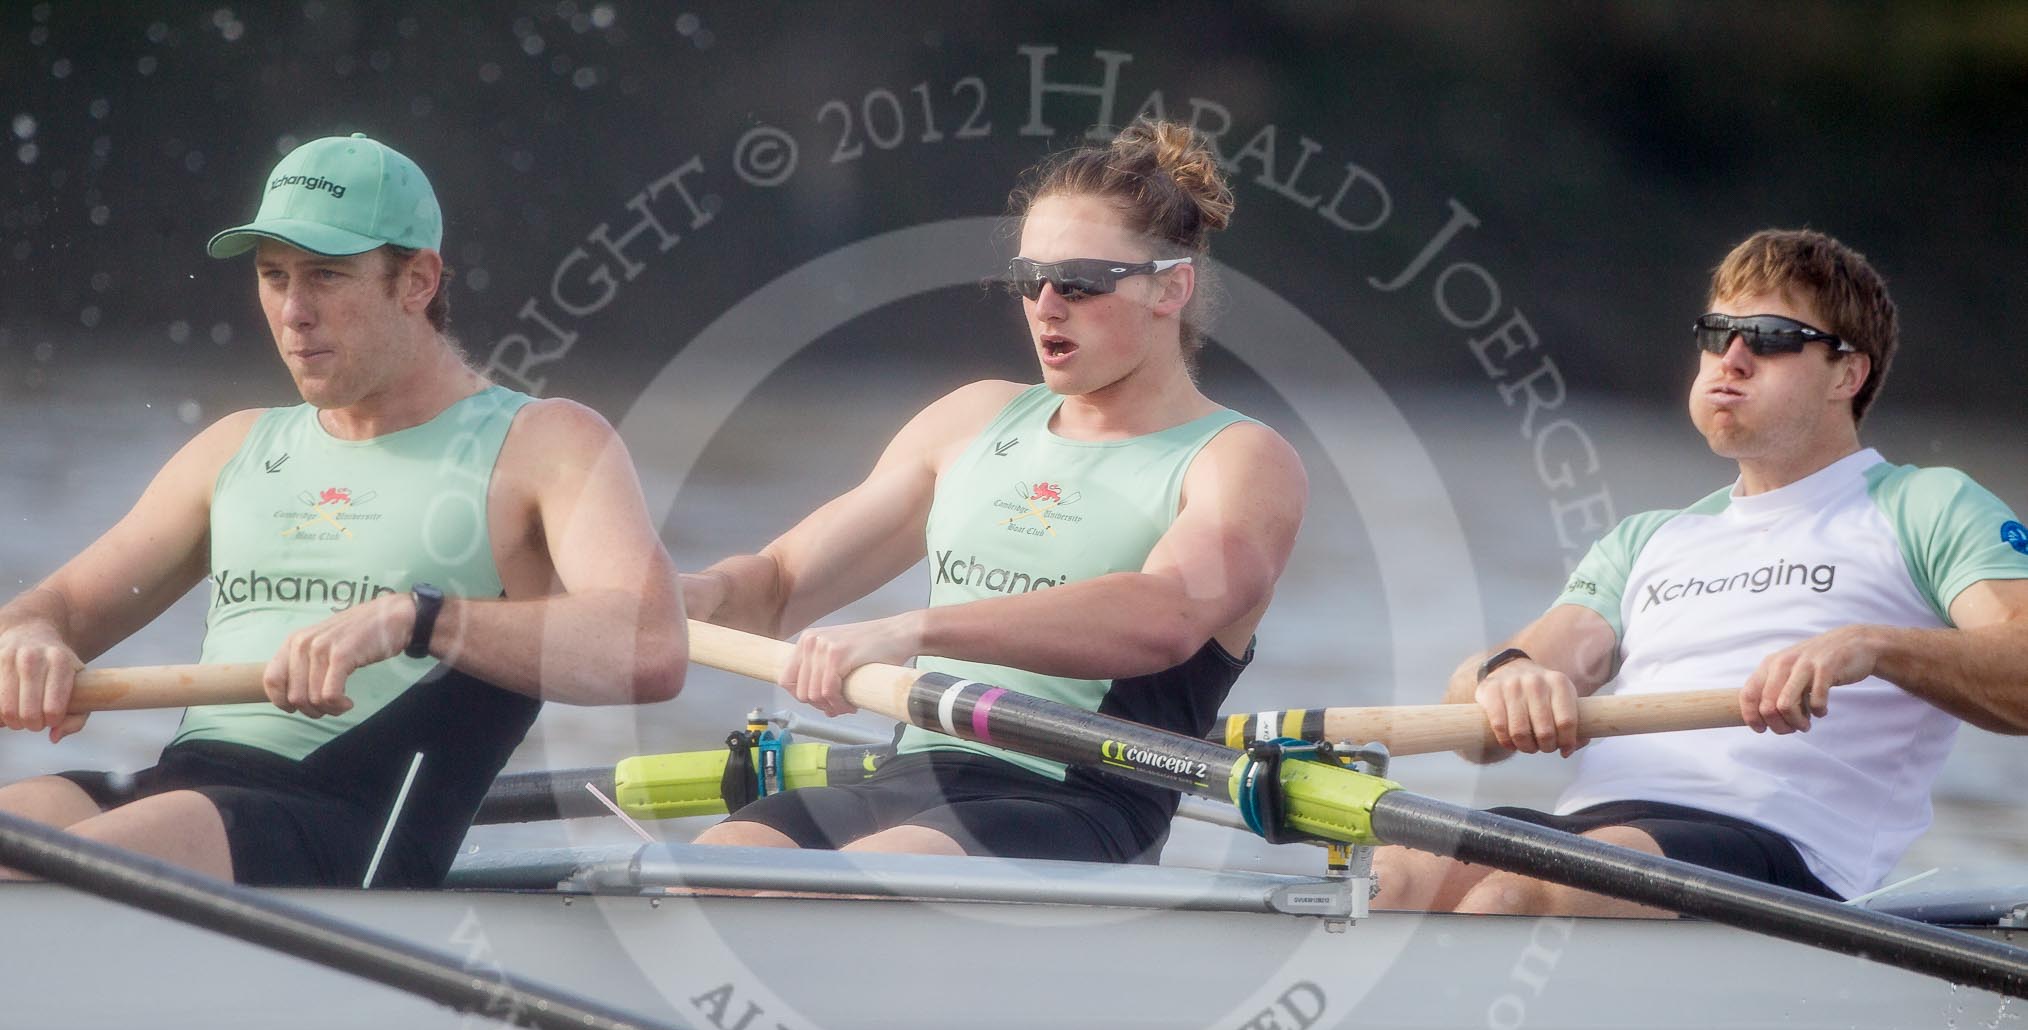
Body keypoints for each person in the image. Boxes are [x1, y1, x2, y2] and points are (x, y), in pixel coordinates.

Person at [0, 133, 685, 887]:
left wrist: (423, 619)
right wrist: (33, 637)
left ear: (417, 280)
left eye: (326, 275)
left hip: (348, 835)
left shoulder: (545, 445)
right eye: (273, 276)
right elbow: (58, 606)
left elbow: (651, 647)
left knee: (59, 865)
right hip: (182, 800)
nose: (293, 312)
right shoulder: (234, 448)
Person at [683, 120, 1307, 863]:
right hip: (907, 777)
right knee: (711, 862)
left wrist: (911, 631)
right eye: (1027, 279)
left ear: (1172, 286)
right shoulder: (971, 419)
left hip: (1078, 803)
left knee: (865, 875)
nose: (1045, 305)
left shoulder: (1239, 461)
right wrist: (690, 594)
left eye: (1079, 281)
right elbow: (780, 587)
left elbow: (1163, 615)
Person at [1376, 228, 2028, 917]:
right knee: (1391, 879)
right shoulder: (1650, 538)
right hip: (1602, 832)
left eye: (1772, 335)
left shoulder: (1926, 505)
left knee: (1511, 898)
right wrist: (1506, 677)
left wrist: (1873, 646)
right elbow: (1470, 719)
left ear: (1848, 374)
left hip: (1780, 856)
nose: (1733, 357)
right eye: (1717, 332)